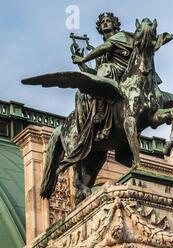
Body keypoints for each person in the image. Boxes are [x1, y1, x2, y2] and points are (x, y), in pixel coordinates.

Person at [63, 12, 134, 169]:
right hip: (107, 81)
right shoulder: (100, 55)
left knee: (107, 68)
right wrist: (80, 63)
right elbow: (95, 75)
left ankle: (101, 111)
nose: (105, 23)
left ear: (114, 24)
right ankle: (86, 132)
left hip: (125, 79)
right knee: (81, 93)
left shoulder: (120, 37)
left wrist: (84, 58)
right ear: (99, 28)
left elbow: (105, 50)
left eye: (108, 21)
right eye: (102, 22)